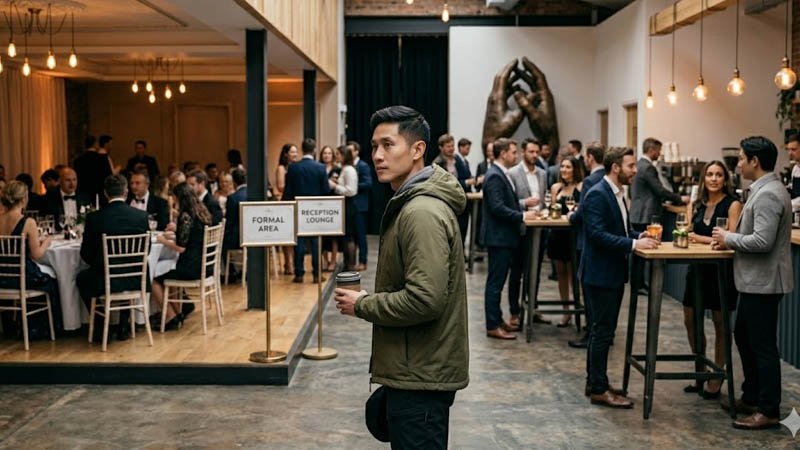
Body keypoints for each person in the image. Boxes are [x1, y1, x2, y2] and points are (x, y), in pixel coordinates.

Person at [334, 106, 468, 448]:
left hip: (420, 374)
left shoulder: (421, 211)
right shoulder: (413, 204)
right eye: (374, 146)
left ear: (417, 149)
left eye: (388, 145)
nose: (378, 155)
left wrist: (363, 303)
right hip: (416, 369)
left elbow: (425, 299)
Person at [712, 136, 793, 430]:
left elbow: (762, 241)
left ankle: (768, 409)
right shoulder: (762, 190)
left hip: (764, 282)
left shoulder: (769, 194)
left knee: (762, 346)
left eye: (742, 158)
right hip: (753, 282)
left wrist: (727, 238)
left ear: (755, 162)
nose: (739, 164)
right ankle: (752, 396)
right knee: (744, 337)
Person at [580, 147, 658, 408]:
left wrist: (638, 236)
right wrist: (634, 246)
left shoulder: (618, 193)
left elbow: (620, 230)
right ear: (615, 168)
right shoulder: (597, 195)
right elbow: (597, 236)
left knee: (600, 332)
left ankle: (595, 381)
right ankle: (599, 389)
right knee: (602, 333)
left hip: (609, 272)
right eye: (630, 166)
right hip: (600, 274)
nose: (635, 170)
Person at [679, 161, 741, 398]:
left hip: (720, 271)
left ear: (725, 179)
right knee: (690, 318)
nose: (714, 179)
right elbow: (683, 232)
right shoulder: (696, 204)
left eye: (719, 175)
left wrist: (697, 237)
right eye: (710, 175)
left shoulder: (733, 204)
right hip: (696, 269)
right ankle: (700, 370)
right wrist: (696, 237)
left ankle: (716, 377)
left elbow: (730, 238)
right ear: (703, 179)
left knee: (720, 323)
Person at [76, 175, 149, 342]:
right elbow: (147, 250)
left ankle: (102, 327)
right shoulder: (140, 216)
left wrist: (101, 264)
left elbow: (85, 254)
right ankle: (124, 324)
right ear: (125, 191)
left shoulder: (95, 218)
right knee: (122, 273)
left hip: (105, 279)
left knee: (81, 278)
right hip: (135, 278)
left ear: (105, 194)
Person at [482, 138, 537, 340]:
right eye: (513, 152)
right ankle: (492, 324)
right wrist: (522, 215)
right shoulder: (495, 175)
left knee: (498, 280)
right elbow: (497, 208)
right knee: (495, 283)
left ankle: (497, 319)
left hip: (503, 237)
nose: (516, 156)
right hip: (499, 237)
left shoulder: (500, 173)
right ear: (503, 153)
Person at [0, 181, 61, 338]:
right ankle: (43, 329)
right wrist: (47, 241)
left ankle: (11, 324)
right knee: (53, 281)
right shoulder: (28, 222)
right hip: (22, 276)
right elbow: (37, 255)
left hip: (2, 277)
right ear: (23, 199)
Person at [151, 182, 214, 329]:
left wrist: (162, 240)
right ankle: (177, 313)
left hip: (192, 267)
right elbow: (190, 239)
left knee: (154, 280)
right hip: (205, 265)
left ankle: (169, 316)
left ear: (179, 197)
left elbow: (181, 248)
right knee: (170, 272)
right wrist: (173, 236)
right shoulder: (201, 212)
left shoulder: (186, 216)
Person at [567, 143, 606, 349]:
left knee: (589, 293)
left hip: (588, 240)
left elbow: (584, 211)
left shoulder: (590, 181)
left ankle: (591, 333)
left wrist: (572, 216)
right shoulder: (607, 177)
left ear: (589, 157)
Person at [508, 138, 548, 325]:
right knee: (517, 271)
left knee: (535, 270)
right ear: (524, 152)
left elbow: (544, 197)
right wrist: (525, 203)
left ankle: (532, 306)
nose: (534, 155)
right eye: (531, 152)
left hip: (539, 228)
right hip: (520, 228)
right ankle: (514, 311)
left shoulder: (542, 173)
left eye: (536, 152)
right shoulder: (513, 173)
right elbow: (509, 202)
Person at [283, 138, 329, 283]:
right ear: (314, 150)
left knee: (299, 242)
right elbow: (326, 191)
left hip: (298, 208)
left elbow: (288, 190)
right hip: (315, 210)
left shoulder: (293, 168)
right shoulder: (321, 167)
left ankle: (299, 274)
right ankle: (316, 274)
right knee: (315, 242)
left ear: (302, 150)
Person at [548, 155, 584, 327]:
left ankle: (578, 306)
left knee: (574, 272)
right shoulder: (556, 187)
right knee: (560, 271)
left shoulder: (581, 187)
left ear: (575, 169)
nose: (564, 170)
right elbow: (552, 209)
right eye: (562, 167)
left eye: (568, 167)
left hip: (573, 235)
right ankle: (565, 310)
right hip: (557, 234)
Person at [630, 137, 689, 231]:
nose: (659, 154)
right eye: (658, 150)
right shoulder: (648, 167)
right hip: (647, 214)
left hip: (636, 214)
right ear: (651, 150)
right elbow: (659, 190)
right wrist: (679, 198)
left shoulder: (638, 165)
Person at [433, 134, 473, 245]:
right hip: (447, 203)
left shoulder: (457, 159)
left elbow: (464, 176)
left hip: (460, 200)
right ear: (441, 148)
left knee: (462, 229)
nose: (451, 148)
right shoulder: (437, 163)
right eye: (448, 146)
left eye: (452, 146)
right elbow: (441, 184)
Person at [330, 145, 358, 270]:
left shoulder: (349, 170)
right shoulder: (344, 169)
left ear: (344, 155)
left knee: (349, 237)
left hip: (348, 205)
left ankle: (350, 266)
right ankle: (347, 265)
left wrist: (334, 186)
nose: (336, 157)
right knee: (346, 237)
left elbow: (351, 191)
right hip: (344, 204)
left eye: (338, 154)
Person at [275, 143, 299, 275]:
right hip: (286, 203)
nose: (295, 154)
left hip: (295, 202)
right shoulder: (281, 168)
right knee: (287, 235)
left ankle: (294, 263)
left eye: (296, 152)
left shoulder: (296, 167)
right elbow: (280, 186)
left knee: (295, 235)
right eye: (292, 152)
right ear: (285, 154)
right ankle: (288, 263)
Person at [350, 141, 373, 270]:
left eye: (350, 150)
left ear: (356, 152)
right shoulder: (346, 166)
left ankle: (363, 261)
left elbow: (368, 183)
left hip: (360, 206)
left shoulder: (363, 166)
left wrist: (353, 187)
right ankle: (351, 262)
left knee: (360, 235)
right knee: (351, 235)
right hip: (349, 206)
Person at [319, 145, 341, 271]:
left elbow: (339, 184)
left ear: (332, 155)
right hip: (321, 203)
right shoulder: (319, 168)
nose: (327, 155)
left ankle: (333, 261)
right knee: (321, 235)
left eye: (329, 153)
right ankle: (325, 260)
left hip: (334, 204)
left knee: (333, 235)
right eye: (324, 153)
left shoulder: (337, 168)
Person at [74, 135, 112, 204]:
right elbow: (108, 177)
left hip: (83, 195)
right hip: (99, 195)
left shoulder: (78, 161)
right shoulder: (102, 159)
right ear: (95, 144)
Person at [222, 168, 247, 272]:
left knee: (220, 243)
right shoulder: (256, 194)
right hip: (253, 236)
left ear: (234, 182)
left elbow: (230, 222)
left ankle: (231, 272)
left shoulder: (233, 198)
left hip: (238, 238)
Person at [784, 131, 800, 211]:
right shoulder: (795, 168)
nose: (790, 153)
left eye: (793, 149)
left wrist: (787, 205)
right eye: (788, 149)